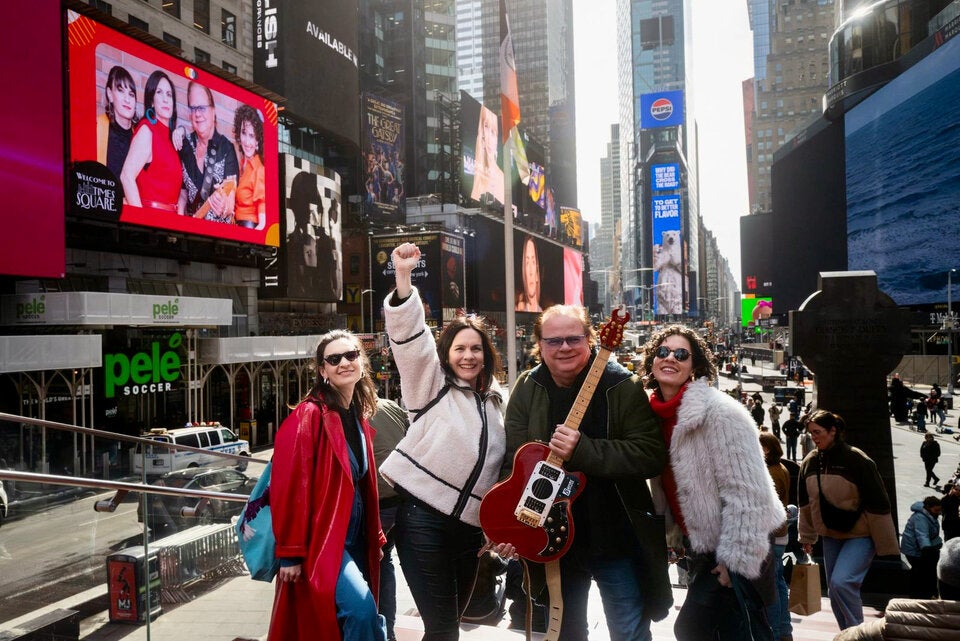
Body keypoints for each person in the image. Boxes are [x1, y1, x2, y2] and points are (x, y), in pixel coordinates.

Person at [497, 304, 671, 641]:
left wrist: (584, 450)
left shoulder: (621, 384)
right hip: (553, 540)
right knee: (564, 633)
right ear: (540, 346)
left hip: (615, 535)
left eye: (573, 338)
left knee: (629, 632)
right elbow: (511, 462)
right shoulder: (528, 387)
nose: (564, 347)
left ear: (591, 340)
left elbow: (650, 454)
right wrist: (505, 524)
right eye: (553, 341)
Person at [379, 242, 507, 641]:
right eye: (460, 349)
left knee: (456, 621)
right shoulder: (429, 385)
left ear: (486, 355)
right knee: (444, 629)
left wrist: (494, 525)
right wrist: (404, 276)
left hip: (471, 531)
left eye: (475, 349)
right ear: (446, 354)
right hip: (423, 522)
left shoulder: (498, 400)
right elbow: (410, 340)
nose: (468, 356)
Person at [640, 325, 784, 641]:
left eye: (681, 354)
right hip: (699, 546)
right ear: (652, 360)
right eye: (663, 352)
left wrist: (734, 564)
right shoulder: (651, 416)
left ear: (695, 366)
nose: (670, 359)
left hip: (734, 548)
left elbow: (749, 495)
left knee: (696, 627)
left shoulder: (720, 413)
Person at [268, 330, 386, 641]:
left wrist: (374, 532)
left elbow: (360, 484)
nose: (344, 363)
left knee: (363, 612)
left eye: (351, 355)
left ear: (361, 361)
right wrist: (290, 552)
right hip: (323, 539)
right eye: (334, 359)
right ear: (323, 370)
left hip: (355, 536)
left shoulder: (356, 414)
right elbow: (287, 485)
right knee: (360, 611)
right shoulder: (309, 415)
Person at [798, 409, 899, 630]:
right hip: (830, 535)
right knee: (835, 591)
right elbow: (805, 502)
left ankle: (857, 633)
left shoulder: (857, 459)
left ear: (833, 431)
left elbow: (879, 503)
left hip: (860, 534)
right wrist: (806, 536)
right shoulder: (810, 461)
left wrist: (887, 545)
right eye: (810, 433)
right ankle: (848, 633)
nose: (813, 437)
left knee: (841, 583)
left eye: (818, 432)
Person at [369, 397, 409, 641]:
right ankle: (388, 631)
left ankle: (380, 631)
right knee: (386, 564)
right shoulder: (390, 406)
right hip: (403, 498)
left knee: (377, 565)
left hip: (378, 505)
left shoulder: (348, 409)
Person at [175, 81, 239, 221]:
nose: (197, 114)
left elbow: (230, 202)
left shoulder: (226, 148)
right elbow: (182, 194)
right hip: (189, 235)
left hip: (218, 238)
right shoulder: (185, 144)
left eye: (202, 108)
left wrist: (223, 207)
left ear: (213, 111)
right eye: (193, 108)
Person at [120, 70, 182, 211]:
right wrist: (142, 222)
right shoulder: (147, 130)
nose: (165, 99)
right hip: (151, 224)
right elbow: (126, 176)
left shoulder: (171, 138)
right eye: (159, 92)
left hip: (169, 225)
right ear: (152, 101)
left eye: (169, 94)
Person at [759, 432, 792, 641]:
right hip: (780, 532)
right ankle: (784, 629)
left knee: (771, 584)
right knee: (778, 583)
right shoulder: (782, 468)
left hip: (772, 534)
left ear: (766, 449)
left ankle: (775, 631)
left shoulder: (771, 473)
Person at [97, 65, 138, 178]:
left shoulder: (140, 134)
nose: (127, 99)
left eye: (131, 94)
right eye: (120, 91)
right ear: (110, 94)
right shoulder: (97, 127)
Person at [900, 495, 943, 599]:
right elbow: (922, 535)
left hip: (920, 547)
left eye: (939, 510)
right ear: (928, 507)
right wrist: (928, 550)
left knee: (922, 571)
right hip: (914, 550)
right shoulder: (920, 518)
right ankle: (919, 594)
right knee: (920, 571)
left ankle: (923, 592)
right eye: (936, 510)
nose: (938, 513)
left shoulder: (930, 515)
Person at [232, 104, 266, 230]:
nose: (247, 141)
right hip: (237, 228)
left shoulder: (259, 169)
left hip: (249, 229)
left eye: (252, 136)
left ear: (258, 140)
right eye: (244, 133)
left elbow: (262, 223)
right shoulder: (241, 164)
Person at [469, 105, 503, 203]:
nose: (487, 135)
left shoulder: (501, 179)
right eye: (486, 126)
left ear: (497, 139)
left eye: (493, 132)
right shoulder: (477, 172)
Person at [515, 235, 542, 313]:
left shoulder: (544, 314)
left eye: (533, 262)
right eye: (527, 263)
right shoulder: (517, 310)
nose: (531, 272)